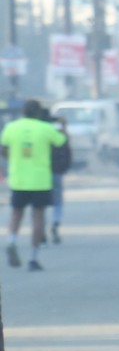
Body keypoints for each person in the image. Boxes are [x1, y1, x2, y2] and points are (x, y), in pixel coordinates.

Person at [4, 101, 68, 271]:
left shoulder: (11, 127)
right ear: (38, 113)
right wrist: (62, 126)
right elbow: (62, 142)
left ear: (23, 112)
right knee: (38, 217)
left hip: (18, 179)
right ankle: (33, 258)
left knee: (16, 213)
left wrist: (13, 159)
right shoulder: (45, 128)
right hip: (40, 180)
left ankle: (11, 241)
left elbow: (3, 148)